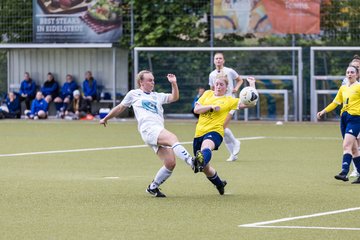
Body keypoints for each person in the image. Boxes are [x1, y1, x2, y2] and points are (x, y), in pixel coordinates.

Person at [99, 70, 195, 198]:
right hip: (148, 129)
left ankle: (153, 187)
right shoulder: (134, 94)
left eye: (153, 80)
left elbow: (174, 97)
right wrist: (106, 118)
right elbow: (120, 107)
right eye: (149, 80)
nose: (152, 82)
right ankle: (191, 162)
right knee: (172, 138)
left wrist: (174, 83)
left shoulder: (157, 96)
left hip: (158, 130)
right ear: (141, 82)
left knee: (170, 163)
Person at [193, 75, 256, 195]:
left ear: (226, 87)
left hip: (215, 132)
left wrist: (252, 85)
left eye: (221, 84)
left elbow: (250, 102)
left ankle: (201, 159)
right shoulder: (207, 94)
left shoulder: (229, 101)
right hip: (198, 133)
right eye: (217, 84)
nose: (218, 86)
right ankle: (219, 184)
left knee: (206, 147)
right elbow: (197, 110)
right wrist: (210, 107)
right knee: (205, 169)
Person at [317, 65, 360, 184]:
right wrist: (323, 111)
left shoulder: (359, 87)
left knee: (346, 145)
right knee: (354, 149)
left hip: (355, 119)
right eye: (348, 72)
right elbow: (335, 103)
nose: (350, 74)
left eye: (352, 72)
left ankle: (344, 172)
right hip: (344, 118)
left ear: (357, 74)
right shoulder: (343, 88)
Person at [209, 52, 244, 161]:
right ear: (214, 61)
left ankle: (235, 142)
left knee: (222, 126)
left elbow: (240, 80)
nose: (218, 60)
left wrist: (236, 88)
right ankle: (233, 155)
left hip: (230, 101)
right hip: (219, 103)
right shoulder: (212, 74)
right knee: (221, 129)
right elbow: (212, 89)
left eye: (220, 58)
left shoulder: (229, 71)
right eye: (216, 59)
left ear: (223, 61)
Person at [341, 55, 360, 178]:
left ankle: (346, 170)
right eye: (354, 66)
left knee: (354, 144)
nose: (355, 68)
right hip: (350, 116)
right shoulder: (347, 81)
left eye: (357, 66)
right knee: (354, 145)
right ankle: (356, 170)